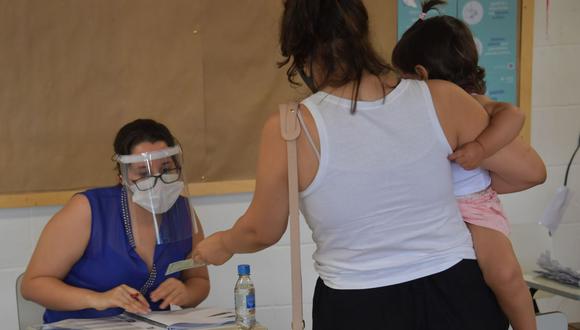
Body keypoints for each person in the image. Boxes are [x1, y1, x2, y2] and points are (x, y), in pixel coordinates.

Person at [193, 1, 546, 329]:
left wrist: (223, 243)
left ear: (297, 49)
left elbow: (261, 230)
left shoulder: (292, 128)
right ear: (362, 29)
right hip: (457, 292)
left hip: (359, 303)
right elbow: (529, 171)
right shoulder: (443, 97)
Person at [392, 1, 541, 329]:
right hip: (432, 213)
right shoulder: (412, 111)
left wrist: (480, 146)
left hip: (475, 208)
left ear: (421, 74)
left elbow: (514, 115)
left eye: (402, 78)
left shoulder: (473, 103)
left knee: (504, 274)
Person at [21, 119, 210, 323]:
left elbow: (198, 280)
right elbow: (33, 285)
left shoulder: (182, 211)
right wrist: (98, 299)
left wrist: (187, 293)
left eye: (166, 169)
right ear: (123, 176)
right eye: (143, 172)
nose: (157, 180)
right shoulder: (88, 210)